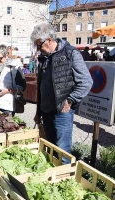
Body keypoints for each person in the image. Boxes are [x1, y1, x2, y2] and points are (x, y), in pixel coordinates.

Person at [30, 23, 93, 163]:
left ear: (49, 40)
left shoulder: (71, 54)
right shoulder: (43, 58)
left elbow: (86, 82)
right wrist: (38, 111)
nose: (38, 49)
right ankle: (53, 175)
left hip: (62, 112)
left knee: (63, 150)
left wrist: (70, 100)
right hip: (46, 111)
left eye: (39, 45)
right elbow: (41, 87)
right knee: (50, 148)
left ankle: (64, 178)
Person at [0, 44, 26, 117]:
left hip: (7, 106)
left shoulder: (14, 68)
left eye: (0, 58)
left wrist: (8, 90)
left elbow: (22, 85)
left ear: (6, 56)